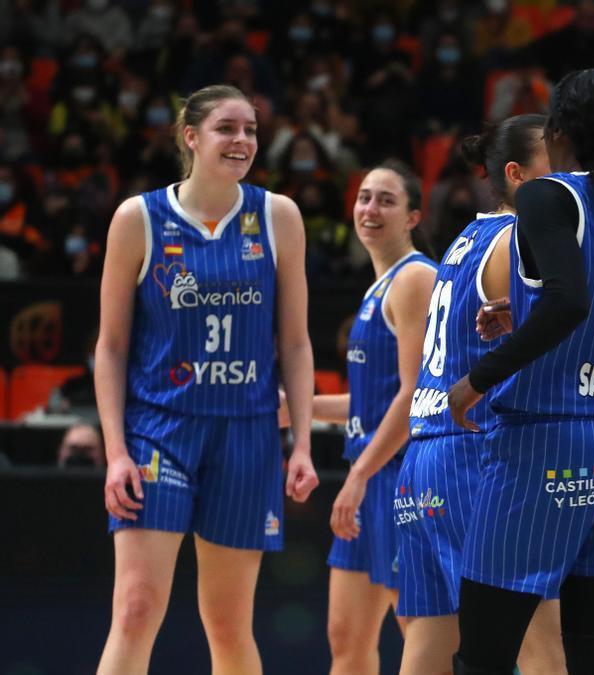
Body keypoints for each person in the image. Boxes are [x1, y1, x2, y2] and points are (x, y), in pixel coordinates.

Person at [446, 67, 594, 675]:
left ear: (559, 131)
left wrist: (477, 379)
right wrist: (523, 314)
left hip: (551, 441)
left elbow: (569, 300)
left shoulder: (547, 194)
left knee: (482, 658)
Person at [95, 84, 319, 675]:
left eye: (250, 129)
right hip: (159, 429)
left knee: (227, 622)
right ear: (191, 137)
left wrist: (300, 443)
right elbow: (111, 347)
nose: (242, 140)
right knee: (137, 609)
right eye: (226, 128)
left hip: (246, 435)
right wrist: (116, 452)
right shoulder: (137, 219)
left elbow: (295, 342)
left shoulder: (278, 216)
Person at [394, 114, 565, 675]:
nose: (570, 172)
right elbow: (574, 322)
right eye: (556, 160)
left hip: (423, 460)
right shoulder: (521, 237)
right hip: (475, 455)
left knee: (433, 646)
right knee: (541, 644)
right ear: (516, 175)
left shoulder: (467, 237)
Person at [281, 161, 437, 674]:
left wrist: (359, 474)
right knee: (346, 640)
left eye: (386, 200)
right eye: (364, 197)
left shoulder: (415, 278)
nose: (370, 209)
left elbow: (415, 397)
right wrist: (295, 410)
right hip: (372, 476)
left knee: (422, 639)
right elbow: (373, 401)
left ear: (414, 216)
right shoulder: (379, 285)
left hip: (399, 478)